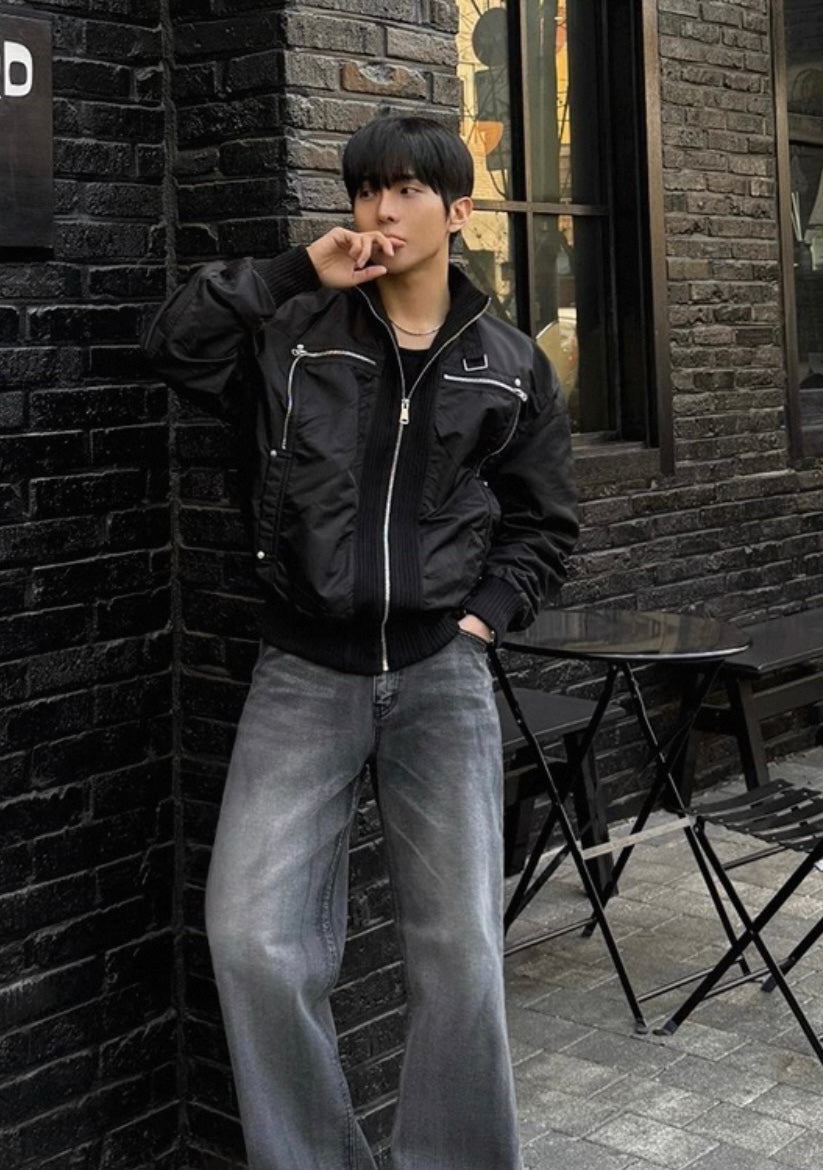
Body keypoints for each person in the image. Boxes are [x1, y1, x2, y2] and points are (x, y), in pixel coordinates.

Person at [145, 113, 578, 1170]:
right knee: (252, 939)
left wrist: (481, 619)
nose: (382, 210)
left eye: (408, 190)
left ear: (458, 211)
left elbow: (544, 526)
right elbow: (170, 344)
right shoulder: (295, 333)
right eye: (367, 189)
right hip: (302, 671)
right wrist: (298, 270)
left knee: (461, 955)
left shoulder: (510, 364)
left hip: (441, 676)